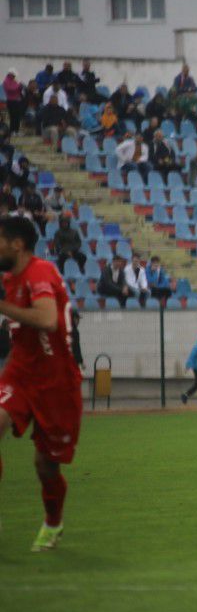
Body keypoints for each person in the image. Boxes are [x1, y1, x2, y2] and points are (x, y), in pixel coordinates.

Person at [0, 216, 83, 550]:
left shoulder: (39, 272)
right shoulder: (10, 277)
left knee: (45, 465)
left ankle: (53, 522)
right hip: (20, 372)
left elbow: (48, 319)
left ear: (16, 244)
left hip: (56, 384)